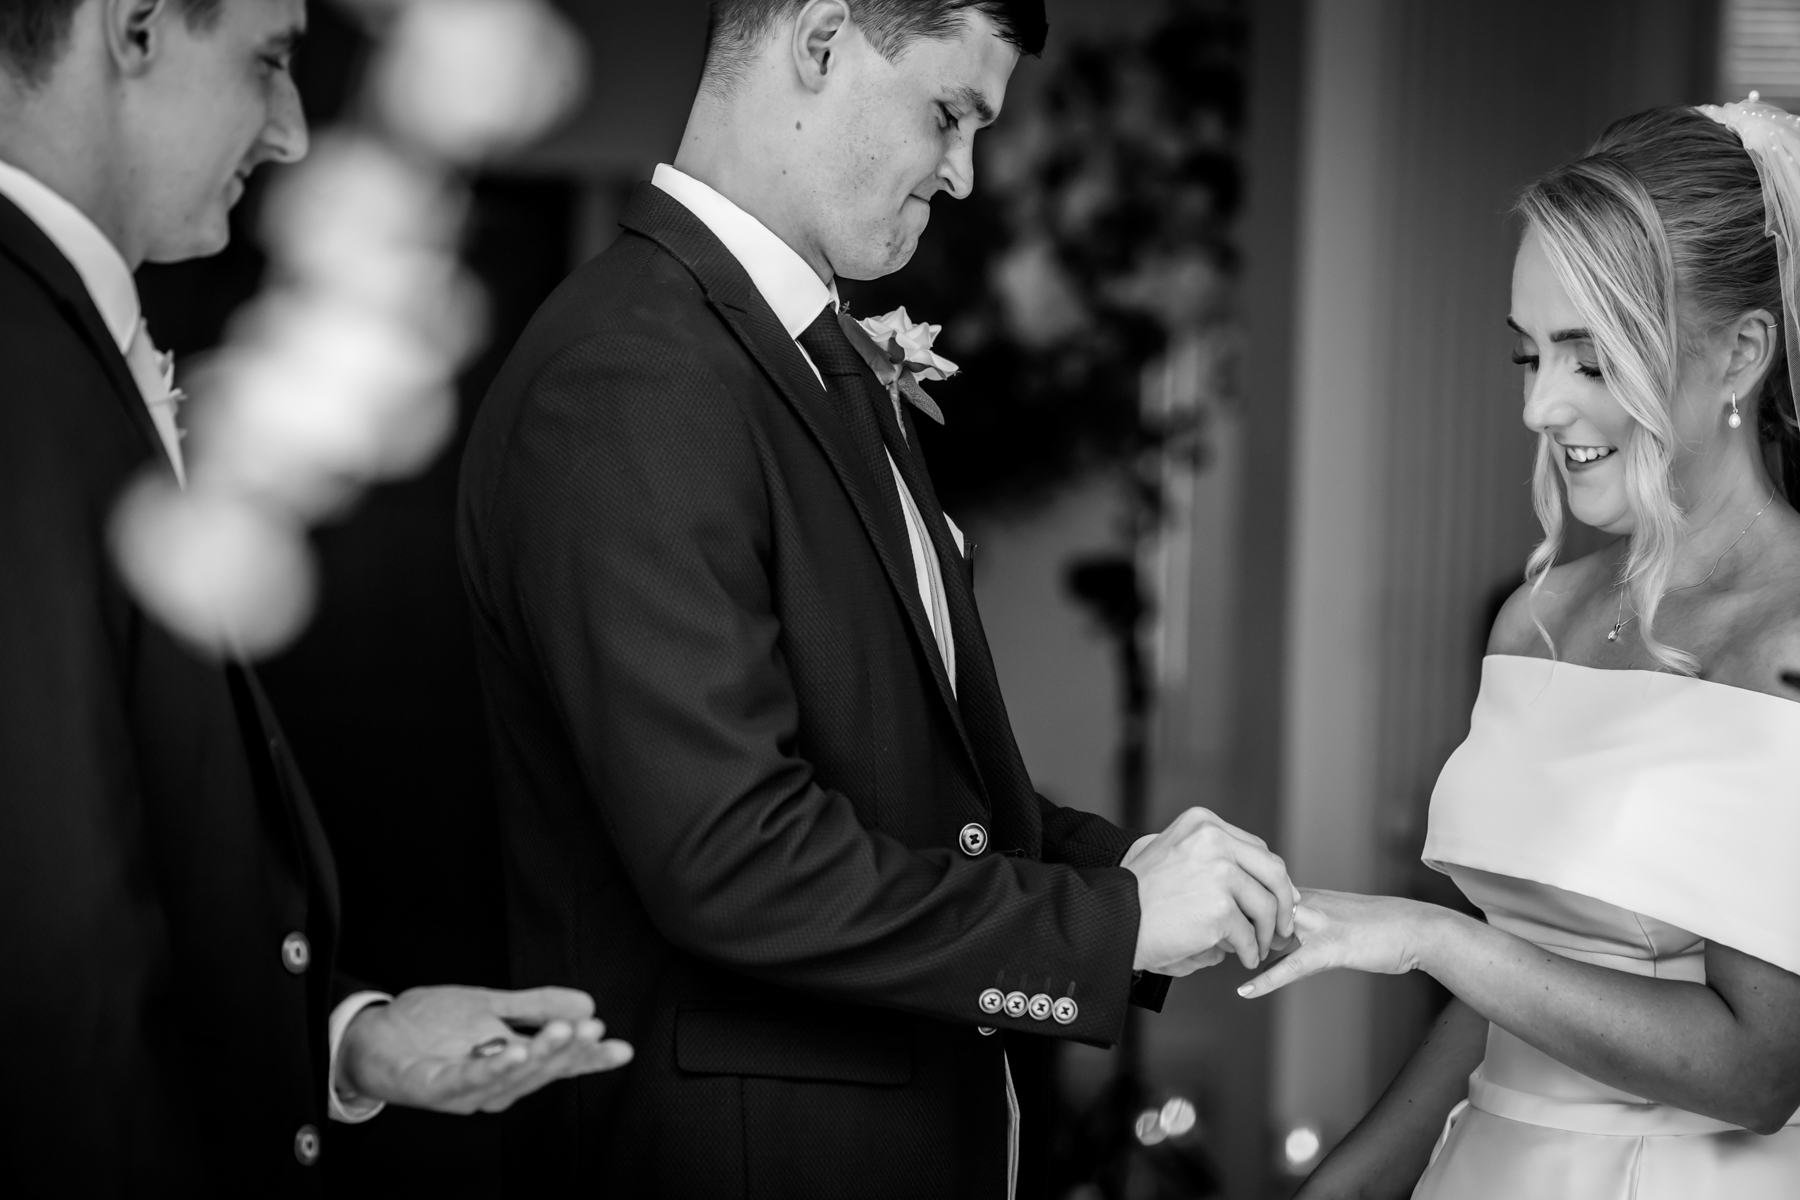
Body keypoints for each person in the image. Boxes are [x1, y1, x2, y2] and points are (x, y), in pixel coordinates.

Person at [456, 0, 1296, 1195]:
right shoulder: (634, 372)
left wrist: (1128, 875)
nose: (962, 173)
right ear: (819, 38)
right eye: (950, 113)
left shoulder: (807, 355)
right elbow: (734, 854)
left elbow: (906, 786)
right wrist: (1104, 930)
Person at [0, 1, 631, 1193]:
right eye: (272, 58)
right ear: (133, 30)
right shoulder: (18, 367)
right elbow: (46, 958)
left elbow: (143, 835)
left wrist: (349, 1041)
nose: (292, 132)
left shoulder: (66, 335)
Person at [1238, 101, 1800, 1198]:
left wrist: (1433, 941)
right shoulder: (1538, 617)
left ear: (1740, 354)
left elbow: (1761, 1066)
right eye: (1528, 353)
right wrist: (1346, 1186)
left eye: (1592, 361)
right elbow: (1521, 982)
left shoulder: (1787, 637)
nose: (1542, 404)